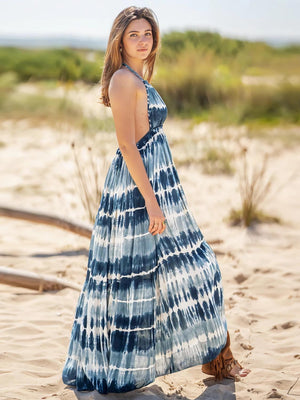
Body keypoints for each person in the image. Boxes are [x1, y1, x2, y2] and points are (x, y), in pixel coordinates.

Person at [61, 6, 251, 394]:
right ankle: (196, 362)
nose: (143, 41)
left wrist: (160, 194)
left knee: (192, 268)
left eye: (148, 33)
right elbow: (128, 146)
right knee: (149, 274)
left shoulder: (135, 77)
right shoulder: (122, 80)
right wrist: (150, 200)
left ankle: (218, 358)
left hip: (158, 185)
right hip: (137, 190)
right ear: (119, 40)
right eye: (134, 35)